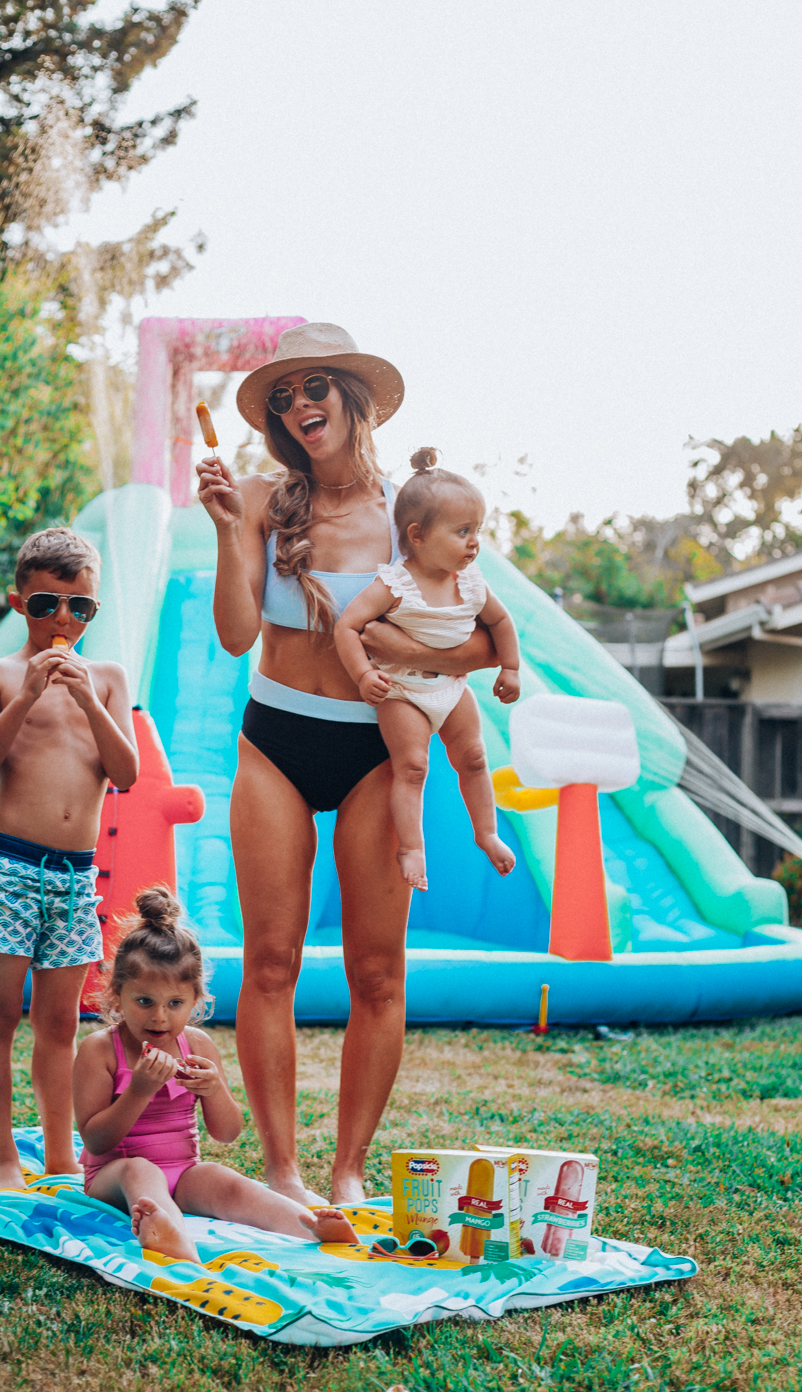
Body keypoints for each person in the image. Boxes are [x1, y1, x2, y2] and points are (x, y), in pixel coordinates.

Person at [195, 323, 498, 1205]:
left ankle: (350, 1169)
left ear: (355, 400)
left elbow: (479, 638)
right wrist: (225, 531)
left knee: (377, 970)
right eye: (284, 398)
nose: (299, 407)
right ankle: (284, 1171)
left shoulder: (416, 511)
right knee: (272, 962)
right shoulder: (258, 498)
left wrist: (403, 655)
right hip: (275, 742)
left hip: (376, 748)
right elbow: (237, 634)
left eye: (316, 386)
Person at [0, 527, 139, 1189]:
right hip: (9, 867)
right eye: (45, 605)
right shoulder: (0, 674)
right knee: (1, 1010)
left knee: (61, 1020)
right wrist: (30, 695)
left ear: (94, 609)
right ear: (18, 603)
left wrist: (89, 698)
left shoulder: (110, 679)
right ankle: (4, 1154)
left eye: (80, 608)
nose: (62, 620)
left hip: (74, 875)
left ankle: (61, 1155)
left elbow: (126, 774)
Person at [73, 886, 358, 1262]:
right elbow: (95, 1142)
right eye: (144, 1002)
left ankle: (306, 1224)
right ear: (117, 995)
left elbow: (226, 1133)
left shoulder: (198, 1045)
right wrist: (139, 1090)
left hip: (184, 1171)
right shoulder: (99, 1050)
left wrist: (214, 1091)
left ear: (196, 1000)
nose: (159, 1017)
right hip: (115, 1176)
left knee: (226, 1181)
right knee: (140, 1170)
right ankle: (168, 1231)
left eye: (175, 1004)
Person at [334, 448, 521, 891]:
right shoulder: (396, 583)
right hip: (402, 691)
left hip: (454, 688)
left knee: (474, 759)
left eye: (477, 530)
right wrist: (363, 674)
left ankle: (487, 833)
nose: (474, 542)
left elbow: (501, 622)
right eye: (462, 531)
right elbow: (347, 626)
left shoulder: (471, 583)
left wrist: (510, 669)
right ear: (417, 535)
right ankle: (412, 848)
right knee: (413, 767)